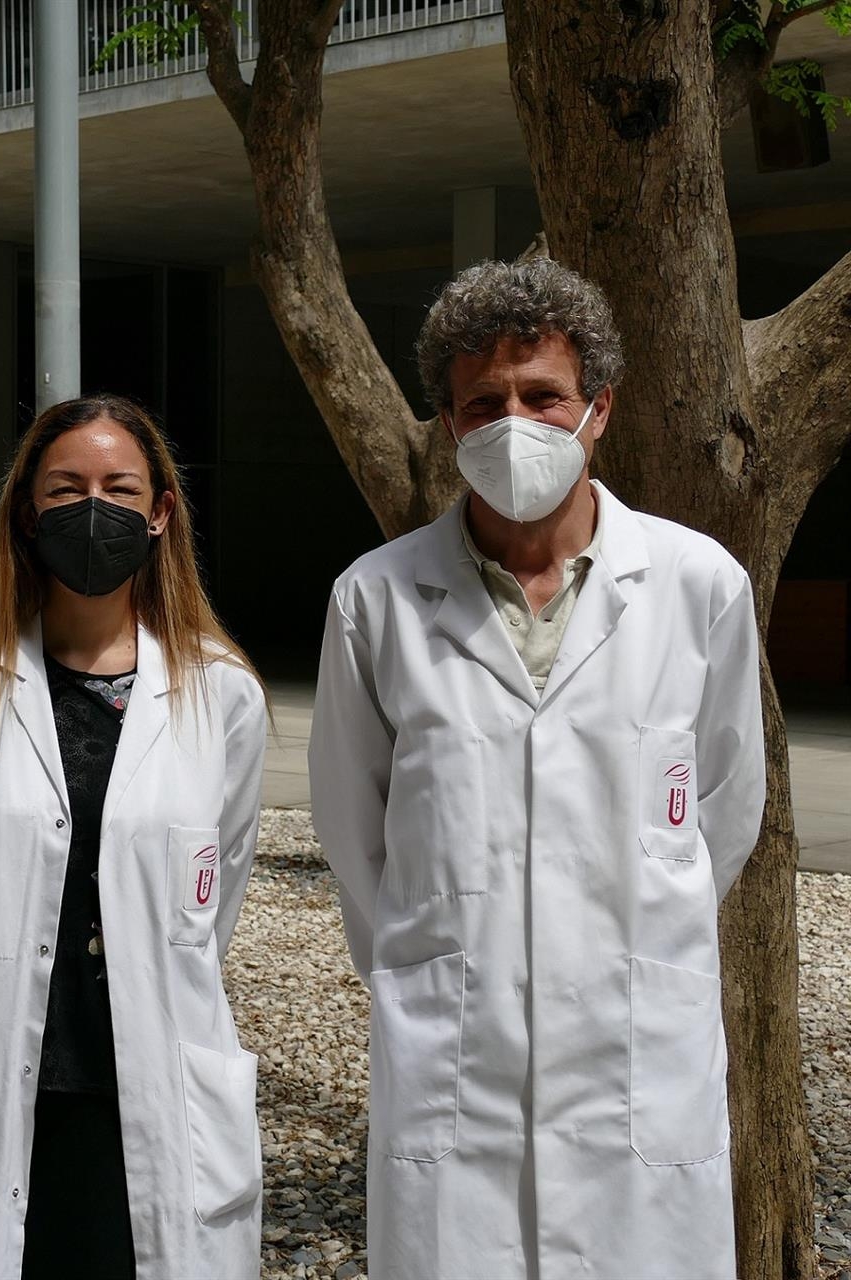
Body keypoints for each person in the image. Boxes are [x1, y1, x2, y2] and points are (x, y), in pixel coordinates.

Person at [309, 257, 767, 1279]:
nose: (513, 422)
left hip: (635, 1050)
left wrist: (635, 924)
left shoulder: (698, 586)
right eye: (484, 402)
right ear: (448, 422)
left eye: (542, 395)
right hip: (457, 1054)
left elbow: (726, 808)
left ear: (599, 409)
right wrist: (433, 967)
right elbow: (352, 828)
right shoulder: (375, 600)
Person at [0, 395, 269, 1280]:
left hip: (155, 1079)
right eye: (65, 489)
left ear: (161, 512)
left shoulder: (221, 693)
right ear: (26, 510)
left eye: (120, 489)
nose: (94, 510)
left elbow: (216, 896)